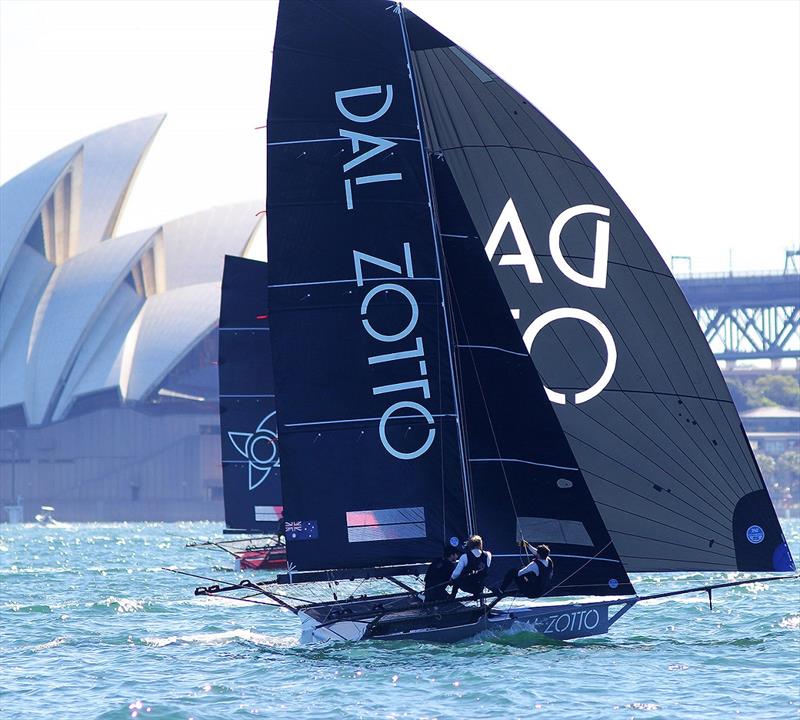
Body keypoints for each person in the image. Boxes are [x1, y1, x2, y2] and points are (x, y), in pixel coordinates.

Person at [450, 535, 492, 599]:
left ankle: (452, 597)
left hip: (466, 586)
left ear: (470, 545)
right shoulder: (488, 555)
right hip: (480, 587)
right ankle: (476, 595)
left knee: (457, 580)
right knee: (479, 578)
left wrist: (451, 579)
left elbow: (456, 574)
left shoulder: (464, 557)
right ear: (480, 544)